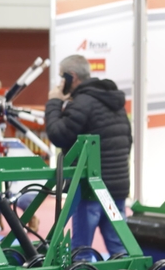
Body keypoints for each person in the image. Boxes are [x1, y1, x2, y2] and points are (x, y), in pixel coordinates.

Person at [45, 54, 132, 257]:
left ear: (71, 77)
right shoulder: (114, 102)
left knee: (81, 253)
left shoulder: (83, 102)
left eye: (61, 77)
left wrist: (54, 103)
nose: (60, 83)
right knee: (120, 251)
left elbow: (59, 135)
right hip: (117, 186)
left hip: (90, 189)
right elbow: (127, 141)